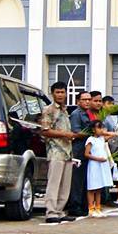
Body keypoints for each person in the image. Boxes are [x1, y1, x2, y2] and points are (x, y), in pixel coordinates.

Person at [40, 81, 80, 223]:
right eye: (57, 92)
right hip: (55, 151)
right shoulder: (48, 110)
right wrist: (64, 134)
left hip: (67, 152)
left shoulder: (65, 110)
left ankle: (60, 211)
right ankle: (51, 212)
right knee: (54, 182)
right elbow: (45, 131)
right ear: (52, 94)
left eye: (62, 92)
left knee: (65, 184)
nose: (60, 95)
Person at [65, 90, 93, 218]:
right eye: (84, 99)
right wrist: (94, 134)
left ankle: (83, 205)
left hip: (87, 149)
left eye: (89, 99)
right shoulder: (76, 114)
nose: (87, 101)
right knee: (77, 179)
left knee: (84, 179)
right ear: (78, 101)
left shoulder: (89, 114)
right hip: (78, 149)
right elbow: (76, 132)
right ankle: (74, 206)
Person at [84, 120, 113, 217]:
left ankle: (98, 207)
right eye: (98, 128)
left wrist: (104, 132)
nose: (101, 130)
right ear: (93, 129)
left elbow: (113, 135)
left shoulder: (101, 139)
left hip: (102, 165)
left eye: (102, 128)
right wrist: (97, 159)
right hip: (94, 165)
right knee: (92, 187)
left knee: (99, 188)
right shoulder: (90, 140)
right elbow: (86, 154)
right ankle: (91, 208)